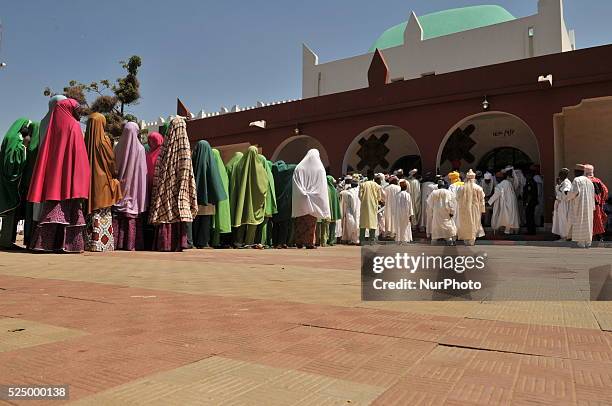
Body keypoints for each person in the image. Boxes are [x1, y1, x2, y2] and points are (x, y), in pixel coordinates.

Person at [28, 99, 90, 253]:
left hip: (54, 181)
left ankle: (45, 244)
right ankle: (69, 246)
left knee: (52, 212)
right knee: (72, 211)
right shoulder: (74, 126)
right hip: (70, 181)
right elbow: (80, 157)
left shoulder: (52, 127)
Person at [148, 117, 198, 251]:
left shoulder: (165, 149)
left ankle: (164, 244)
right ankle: (178, 244)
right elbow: (188, 172)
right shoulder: (185, 149)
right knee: (178, 213)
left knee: (166, 212)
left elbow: (159, 168)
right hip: (180, 189)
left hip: (166, 189)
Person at [83, 113, 123, 252]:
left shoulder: (84, 141)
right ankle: (102, 244)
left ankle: (89, 242)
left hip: (87, 183)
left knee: (90, 212)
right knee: (102, 212)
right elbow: (111, 162)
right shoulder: (104, 141)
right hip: (103, 183)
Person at [113, 122, 148, 251]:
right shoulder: (140, 149)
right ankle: (130, 244)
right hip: (134, 187)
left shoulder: (117, 147)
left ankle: (117, 243)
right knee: (131, 213)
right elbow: (142, 172)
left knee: (119, 213)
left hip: (120, 187)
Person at [190, 140, 227, 248]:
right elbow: (215, 178)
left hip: (195, 196)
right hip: (208, 197)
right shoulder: (211, 161)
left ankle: (194, 241)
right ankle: (204, 242)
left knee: (195, 220)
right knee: (206, 220)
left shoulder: (193, 160)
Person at [0, 119, 30, 249]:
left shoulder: (9, 136)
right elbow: (13, 161)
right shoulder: (15, 138)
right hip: (10, 182)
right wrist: (25, 145)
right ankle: (5, 242)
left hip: (5, 181)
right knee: (10, 211)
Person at [292, 149, 330, 249]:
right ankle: (309, 243)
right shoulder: (320, 169)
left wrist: (302, 193)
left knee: (300, 221)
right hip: (315, 199)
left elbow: (295, 184)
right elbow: (322, 186)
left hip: (301, 198)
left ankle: (299, 242)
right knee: (311, 222)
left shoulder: (299, 167)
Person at [230, 147, 267, 248]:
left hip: (242, 198)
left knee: (241, 218)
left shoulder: (239, 165)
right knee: (252, 222)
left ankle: (238, 241)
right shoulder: (259, 167)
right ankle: (249, 242)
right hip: (254, 200)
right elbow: (264, 185)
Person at [143, 131, 164, 249]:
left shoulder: (162, 153)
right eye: (150, 140)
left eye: (153, 140)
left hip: (157, 188)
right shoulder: (148, 153)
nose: (151, 143)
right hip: (148, 188)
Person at [566, 164, 595, 248]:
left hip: (579, 206)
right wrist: (592, 207)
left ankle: (581, 242)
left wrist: (567, 196)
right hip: (588, 207)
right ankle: (588, 242)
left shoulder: (577, 180)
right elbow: (593, 196)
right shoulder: (589, 181)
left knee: (580, 222)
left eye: (575, 171)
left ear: (577, 172)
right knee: (588, 223)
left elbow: (573, 192)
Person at [456, 169, 485, 245]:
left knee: (465, 223)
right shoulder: (478, 188)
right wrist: (482, 210)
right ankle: (472, 239)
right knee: (474, 222)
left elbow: (457, 198)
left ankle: (466, 240)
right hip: (475, 209)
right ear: (474, 179)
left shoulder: (461, 188)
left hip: (463, 208)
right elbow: (482, 200)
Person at [271, 161, 296, 248]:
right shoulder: (289, 171)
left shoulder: (273, 171)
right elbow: (295, 166)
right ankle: (282, 242)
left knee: (275, 224)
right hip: (285, 201)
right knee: (284, 224)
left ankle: (274, 242)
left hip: (275, 200)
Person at [488, 168, 520, 235]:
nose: (496, 179)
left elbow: (496, 194)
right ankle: (508, 231)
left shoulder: (500, 185)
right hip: (510, 204)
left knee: (505, 217)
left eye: (497, 178)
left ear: (500, 178)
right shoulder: (508, 183)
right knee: (509, 217)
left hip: (506, 204)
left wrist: (489, 202)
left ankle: (507, 232)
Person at [211, 148, 231, 247]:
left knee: (215, 219)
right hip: (224, 200)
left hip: (214, 200)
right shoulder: (223, 169)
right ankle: (216, 241)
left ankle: (214, 241)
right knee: (220, 219)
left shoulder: (213, 168)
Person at [427, 179, 457, 244]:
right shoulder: (449, 192)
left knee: (436, 226)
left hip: (436, 213)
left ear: (438, 186)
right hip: (446, 212)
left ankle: (434, 241)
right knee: (447, 225)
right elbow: (451, 203)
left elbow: (429, 204)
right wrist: (452, 212)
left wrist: (431, 212)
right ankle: (449, 240)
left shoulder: (434, 192)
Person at [584, 164, 609, 241]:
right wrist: (602, 201)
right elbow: (605, 191)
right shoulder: (598, 181)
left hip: (588, 205)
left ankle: (594, 237)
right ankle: (598, 236)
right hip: (598, 205)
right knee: (598, 220)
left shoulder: (584, 181)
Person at [359, 171, 383, 245]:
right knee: (372, 223)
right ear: (373, 177)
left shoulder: (362, 184)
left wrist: (364, 200)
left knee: (363, 223)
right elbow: (379, 198)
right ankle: (371, 241)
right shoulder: (377, 186)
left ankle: (362, 241)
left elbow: (360, 196)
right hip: (373, 206)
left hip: (364, 206)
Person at [552, 168, 571, 240]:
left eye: (561, 174)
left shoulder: (566, 183)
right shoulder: (562, 183)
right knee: (560, 220)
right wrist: (558, 185)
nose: (559, 176)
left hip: (564, 204)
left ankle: (565, 236)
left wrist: (559, 189)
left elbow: (566, 192)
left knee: (564, 220)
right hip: (560, 204)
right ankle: (562, 236)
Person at [339, 179, 360, 245]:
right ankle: (355, 239)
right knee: (356, 224)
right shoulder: (359, 191)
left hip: (350, 210)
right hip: (357, 210)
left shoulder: (348, 192)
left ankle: (351, 239)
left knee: (350, 224)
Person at [395, 179, 414, 244]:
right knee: (405, 226)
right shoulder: (407, 195)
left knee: (399, 226)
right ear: (406, 187)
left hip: (398, 213)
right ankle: (405, 239)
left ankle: (399, 239)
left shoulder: (397, 195)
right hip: (406, 213)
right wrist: (410, 214)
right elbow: (410, 205)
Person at [325, 175, 342, 246]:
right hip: (333, 212)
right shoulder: (334, 190)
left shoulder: (324, 189)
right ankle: (331, 240)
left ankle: (325, 240)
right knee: (332, 226)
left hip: (326, 211)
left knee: (326, 226)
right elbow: (337, 201)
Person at [383, 176, 401, 240]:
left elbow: (383, 198)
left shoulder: (386, 188)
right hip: (397, 207)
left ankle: (388, 233)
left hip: (388, 207)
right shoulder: (398, 188)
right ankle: (394, 233)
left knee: (388, 219)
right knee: (395, 219)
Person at [523, 170, 539, 235]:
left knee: (529, 216)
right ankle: (531, 230)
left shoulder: (530, 183)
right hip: (531, 203)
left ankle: (531, 231)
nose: (526, 176)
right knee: (530, 216)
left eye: (527, 175)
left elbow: (529, 194)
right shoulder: (530, 182)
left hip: (530, 203)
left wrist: (526, 203)